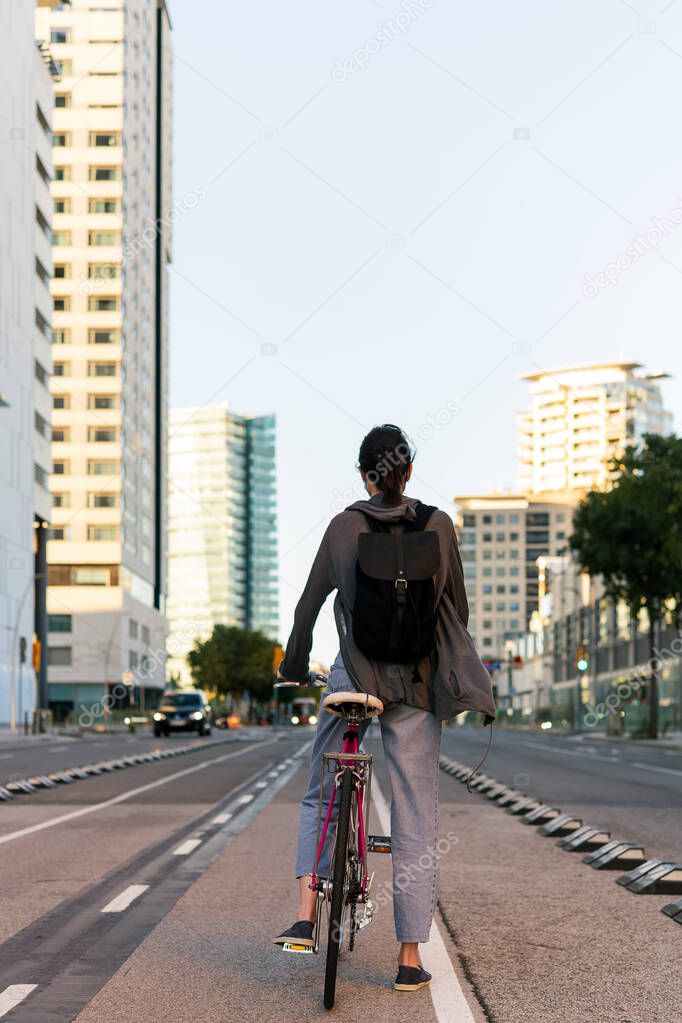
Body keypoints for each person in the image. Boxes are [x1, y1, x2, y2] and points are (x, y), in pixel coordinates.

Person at [273, 424, 496, 993]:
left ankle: (305, 910)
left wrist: (295, 667)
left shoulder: (343, 525)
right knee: (416, 812)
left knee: (320, 787)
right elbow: (458, 611)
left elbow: (307, 605)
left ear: (363, 474)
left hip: (354, 673)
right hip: (418, 685)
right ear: (409, 472)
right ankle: (408, 958)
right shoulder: (439, 526)